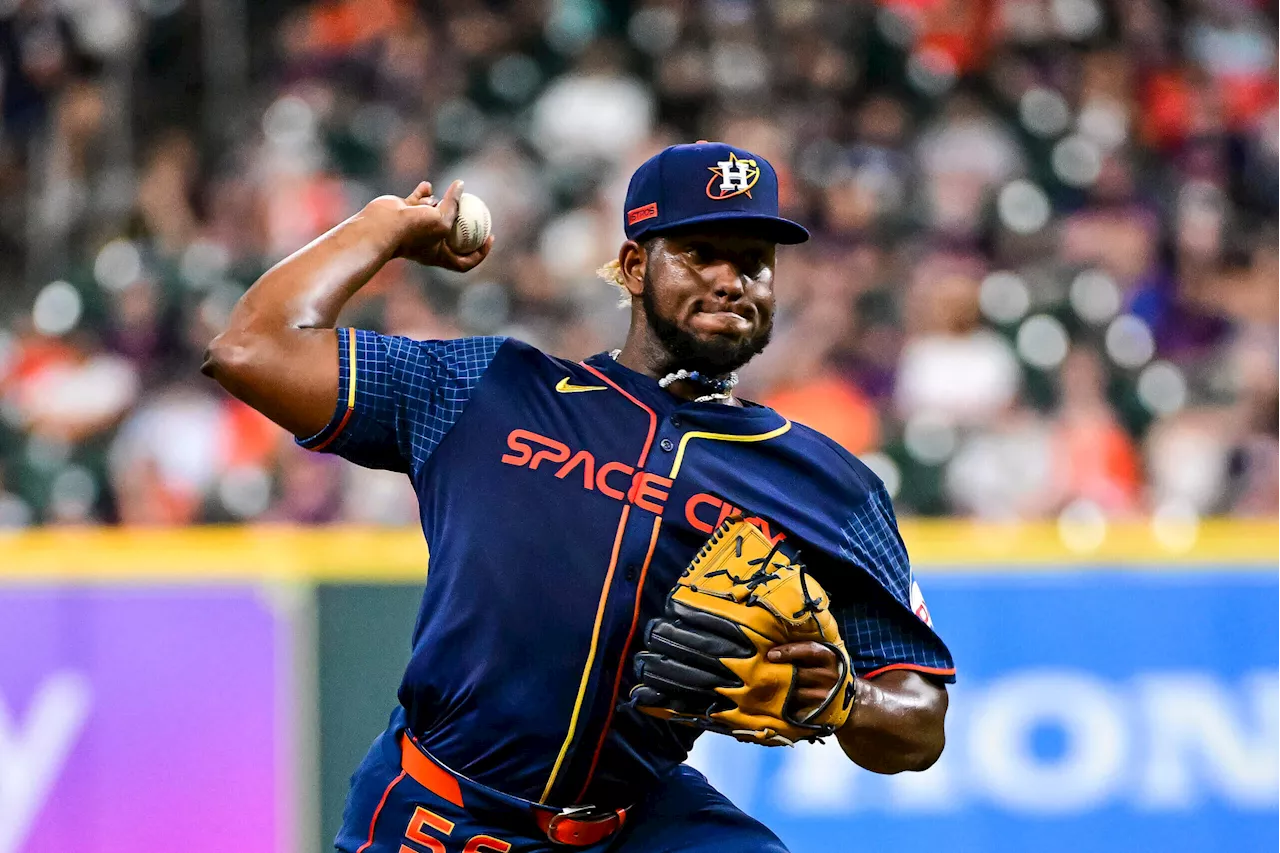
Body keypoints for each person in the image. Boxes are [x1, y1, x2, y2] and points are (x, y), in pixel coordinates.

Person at [203, 142, 954, 852]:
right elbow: (252, 349)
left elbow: (922, 721)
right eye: (701, 254)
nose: (732, 280)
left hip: (640, 822)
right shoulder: (489, 391)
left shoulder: (828, 484)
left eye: (754, 263)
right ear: (633, 264)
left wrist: (849, 698)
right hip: (439, 815)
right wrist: (383, 228)